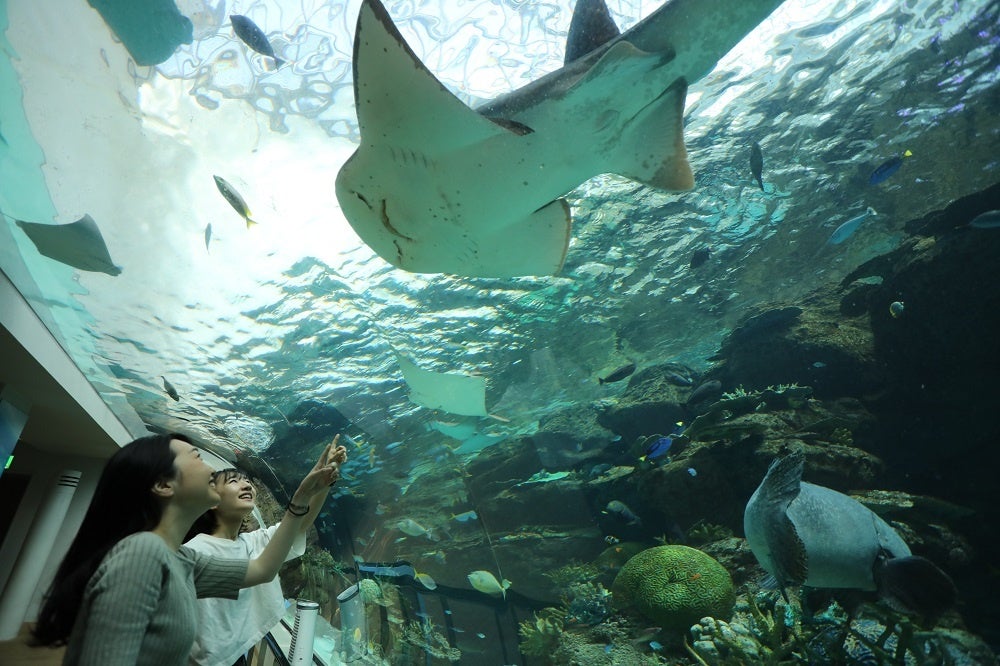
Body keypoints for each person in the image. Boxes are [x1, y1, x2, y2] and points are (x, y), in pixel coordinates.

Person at [32, 432, 343, 666]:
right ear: (164, 486)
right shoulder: (143, 552)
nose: (210, 467)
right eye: (196, 457)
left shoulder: (182, 560)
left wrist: (305, 493)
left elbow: (263, 570)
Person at [185, 435, 348, 666]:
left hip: (235, 656)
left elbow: (298, 524)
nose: (246, 485)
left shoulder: (252, 542)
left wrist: (325, 480)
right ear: (212, 500)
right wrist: (304, 493)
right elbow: (264, 570)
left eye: (247, 481)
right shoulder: (195, 551)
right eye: (233, 481)